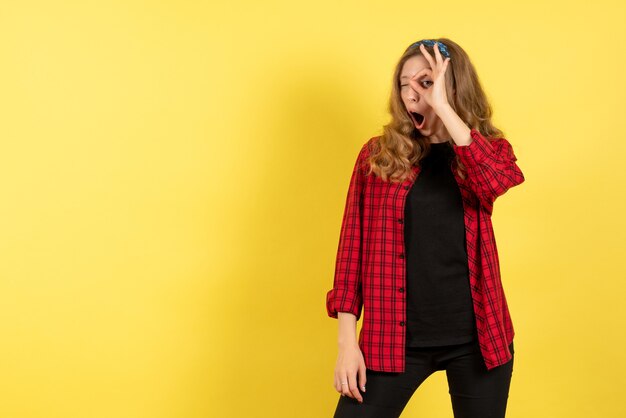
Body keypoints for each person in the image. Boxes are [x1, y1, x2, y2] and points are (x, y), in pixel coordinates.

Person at [325, 38, 525, 418]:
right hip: (393, 339)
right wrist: (347, 345)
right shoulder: (377, 155)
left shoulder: (488, 150)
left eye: (426, 82)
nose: (411, 94)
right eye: (404, 84)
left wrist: (445, 110)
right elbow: (351, 252)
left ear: (452, 86)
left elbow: (493, 184)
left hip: (479, 340)